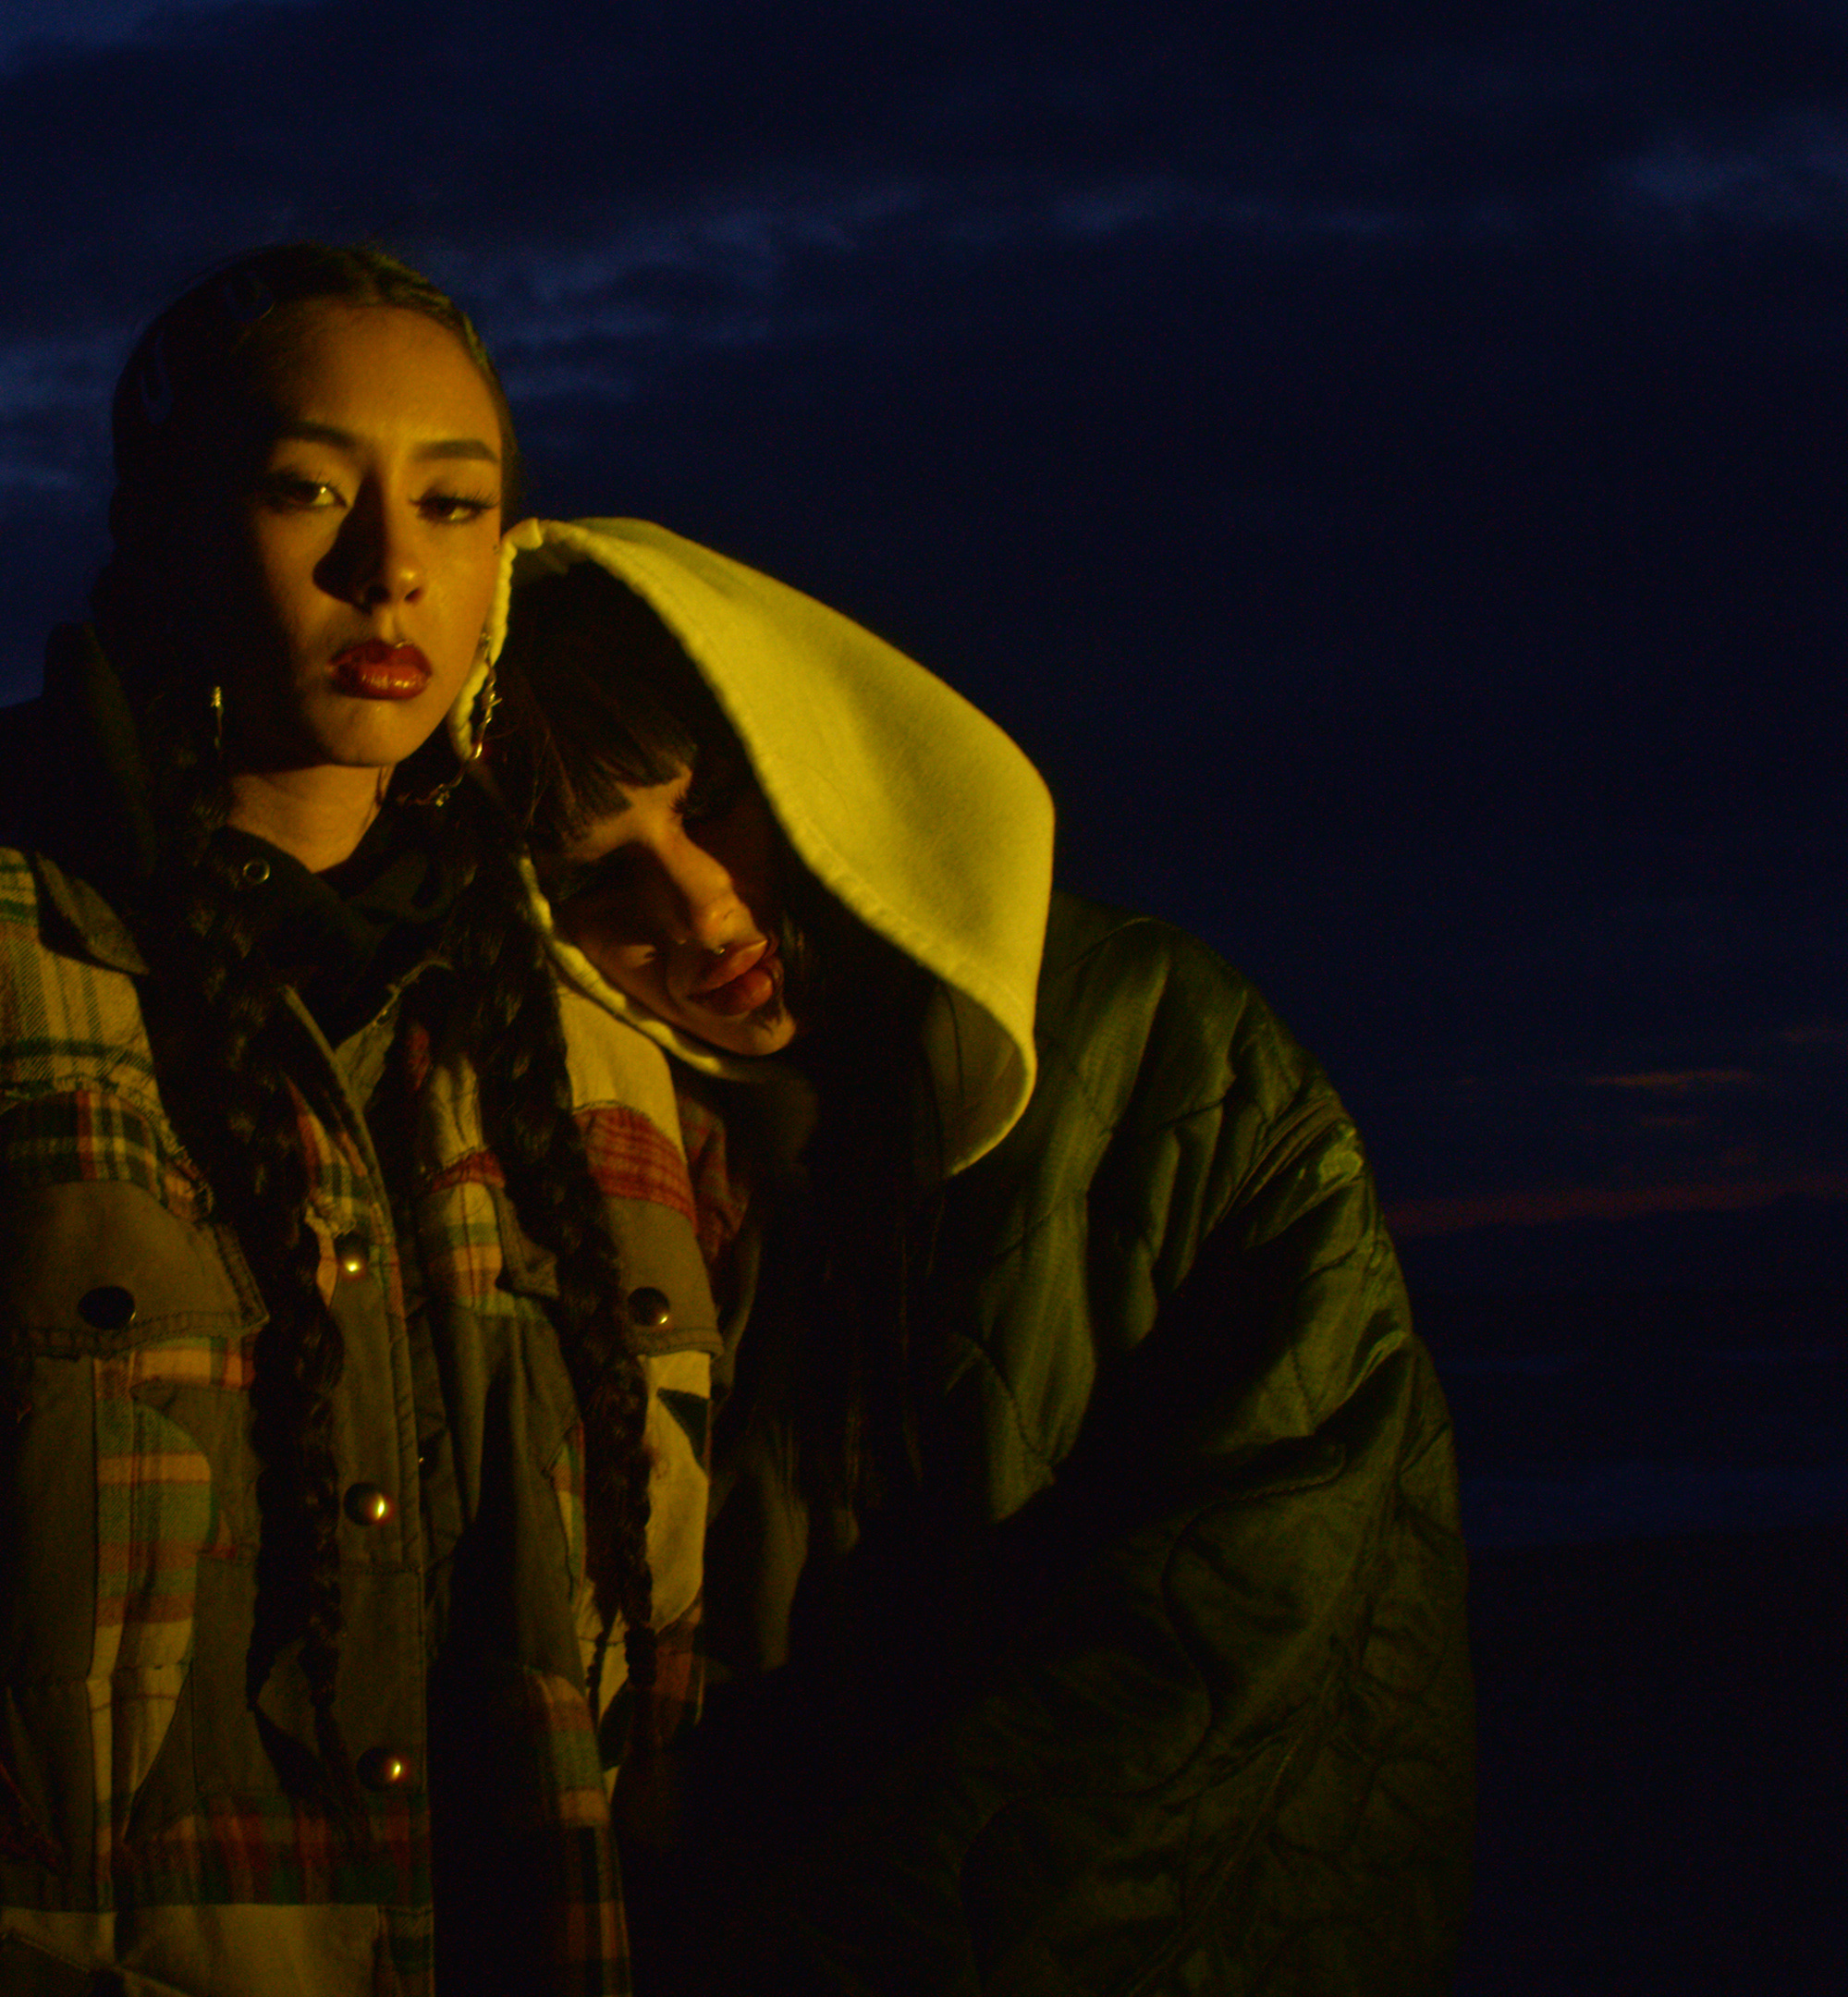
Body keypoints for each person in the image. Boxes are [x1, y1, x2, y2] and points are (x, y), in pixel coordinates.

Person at [0, 253, 722, 1997]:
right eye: (308, 489)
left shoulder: (591, 1051)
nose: (389, 564)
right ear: (171, 533)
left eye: (454, 502)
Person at [486, 518, 1475, 1994]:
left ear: (804, 750)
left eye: (716, 807)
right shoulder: (628, 1166)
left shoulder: (1163, 1046)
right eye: (598, 880)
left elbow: (1264, 1591)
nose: (696, 908)